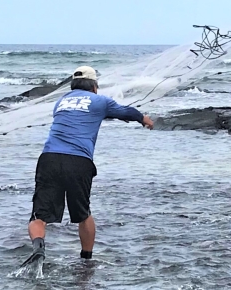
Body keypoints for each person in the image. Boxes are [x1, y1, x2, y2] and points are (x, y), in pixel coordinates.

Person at [21, 65, 154, 266]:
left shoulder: (61, 101)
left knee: (39, 216)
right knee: (83, 214)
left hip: (49, 158)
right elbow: (126, 112)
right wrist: (144, 119)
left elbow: (80, 116)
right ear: (94, 86)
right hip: (78, 161)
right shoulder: (100, 100)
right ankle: (86, 260)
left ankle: (39, 249)